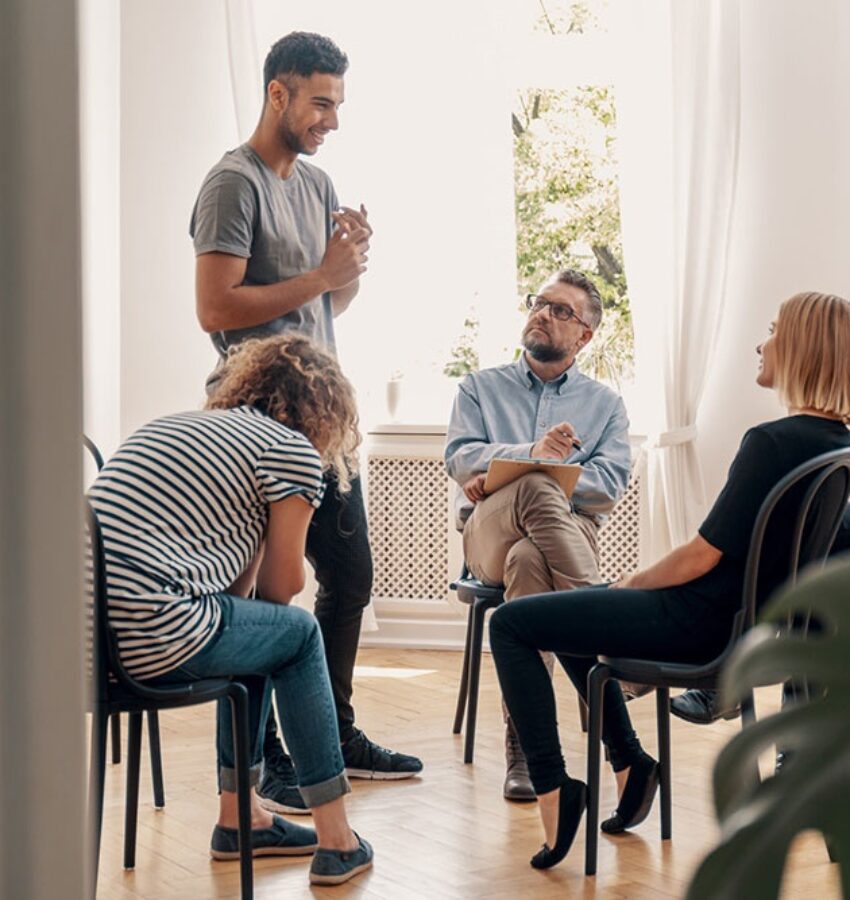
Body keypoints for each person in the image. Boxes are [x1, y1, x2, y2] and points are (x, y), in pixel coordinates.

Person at [489, 291, 850, 871]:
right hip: (756, 633)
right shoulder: (839, 451)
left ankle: (556, 791)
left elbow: (699, 558)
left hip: (700, 624)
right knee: (572, 618)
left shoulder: (772, 442)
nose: (763, 342)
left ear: (805, 348)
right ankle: (632, 765)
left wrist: (629, 586)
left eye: (775, 329)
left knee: (510, 623)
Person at [189, 30, 422, 811]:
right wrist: (319, 273)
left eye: (338, 103)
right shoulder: (233, 184)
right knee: (265, 598)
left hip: (324, 416)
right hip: (255, 419)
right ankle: (271, 762)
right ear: (277, 93)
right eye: (320, 101)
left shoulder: (318, 184)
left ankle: (335, 732)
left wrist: (345, 270)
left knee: (349, 578)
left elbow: (322, 304)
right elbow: (215, 309)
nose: (331, 119)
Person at [88, 335, 374, 886]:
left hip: (79, 639)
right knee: (299, 634)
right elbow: (283, 587)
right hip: (150, 630)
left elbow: (242, 604)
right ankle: (337, 839)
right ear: (323, 409)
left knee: (261, 631)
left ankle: (241, 818)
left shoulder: (170, 426)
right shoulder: (288, 450)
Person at [444, 269, 631, 800]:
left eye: (561, 311)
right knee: (533, 492)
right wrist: (535, 458)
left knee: (529, 560)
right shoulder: (479, 387)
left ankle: (527, 750)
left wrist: (524, 476)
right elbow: (459, 458)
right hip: (487, 534)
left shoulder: (605, 405)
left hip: (561, 537)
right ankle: (609, 643)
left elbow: (608, 488)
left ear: (584, 336)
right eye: (540, 302)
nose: (544, 314)